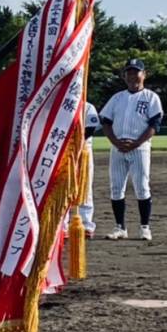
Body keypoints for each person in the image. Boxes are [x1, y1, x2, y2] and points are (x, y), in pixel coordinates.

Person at [100, 58, 163, 241]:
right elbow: (106, 121)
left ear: (144, 75)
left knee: (142, 187)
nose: (132, 76)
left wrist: (136, 143)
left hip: (140, 148)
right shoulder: (117, 98)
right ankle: (120, 227)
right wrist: (115, 142)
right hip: (117, 148)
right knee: (116, 188)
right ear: (124, 76)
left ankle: (145, 227)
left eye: (136, 72)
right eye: (129, 72)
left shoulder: (151, 97)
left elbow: (155, 124)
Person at [73, 100, 101, 238]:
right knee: (64, 187)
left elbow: (91, 128)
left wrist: (75, 141)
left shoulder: (88, 106)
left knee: (85, 186)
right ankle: (63, 225)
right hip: (64, 152)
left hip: (83, 150)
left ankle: (86, 224)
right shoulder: (61, 104)